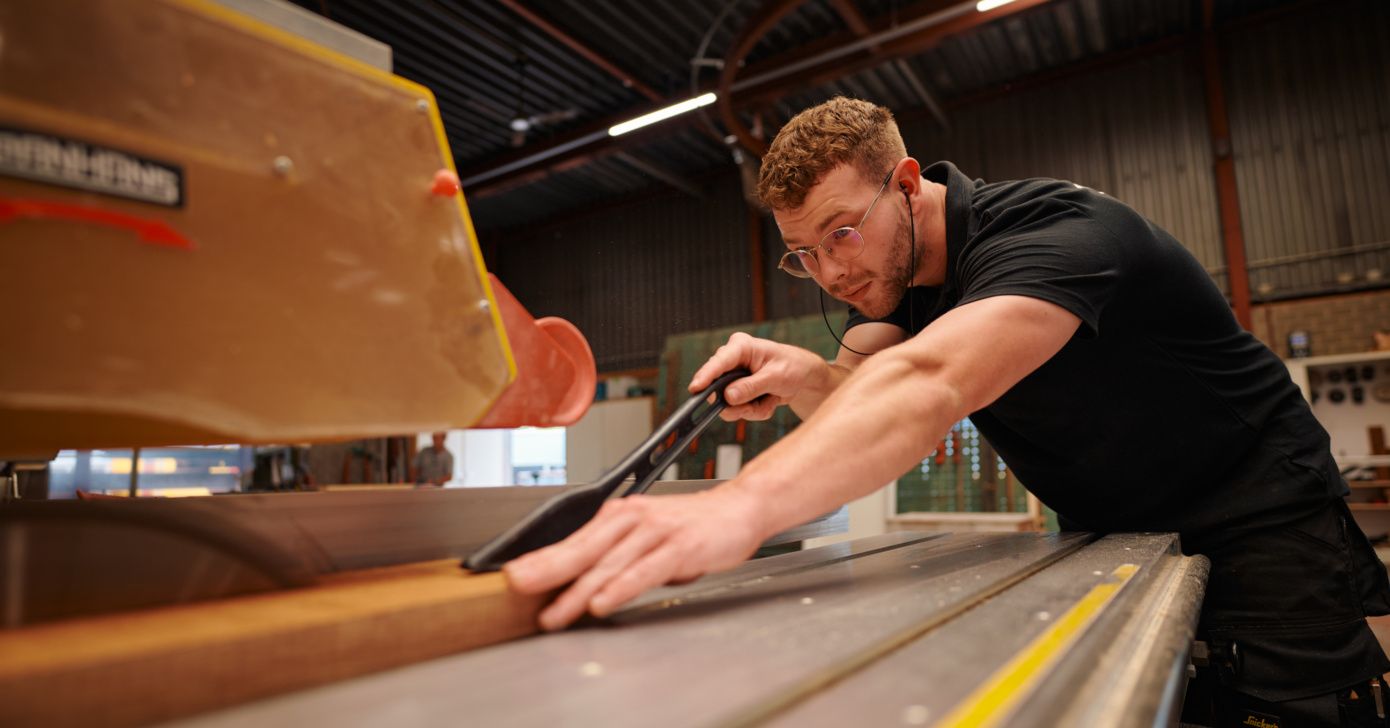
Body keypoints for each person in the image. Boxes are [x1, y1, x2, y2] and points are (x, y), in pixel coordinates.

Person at [504, 97, 1390, 726]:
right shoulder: (888, 284)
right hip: (1119, 535)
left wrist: (732, 510)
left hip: (1258, 516)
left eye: (842, 232)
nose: (832, 273)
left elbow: (930, 383)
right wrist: (804, 377)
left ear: (905, 182)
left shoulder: (1052, 234)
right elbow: (860, 394)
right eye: (802, 254)